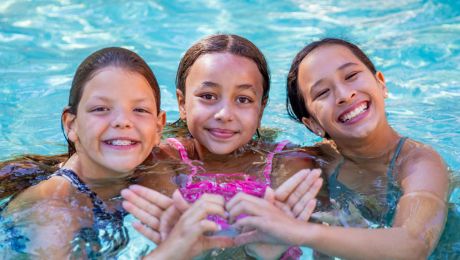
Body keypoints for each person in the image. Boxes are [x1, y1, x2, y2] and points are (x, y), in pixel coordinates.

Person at [223, 38, 450, 259]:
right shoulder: (309, 161)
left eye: (351, 76)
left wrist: (300, 232)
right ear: (313, 124)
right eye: (322, 92)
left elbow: (414, 245)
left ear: (381, 84)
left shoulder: (419, 162)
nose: (344, 95)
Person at [0, 47, 235, 259]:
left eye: (140, 110)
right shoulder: (51, 208)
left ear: (157, 128)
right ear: (71, 124)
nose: (123, 121)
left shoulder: (152, 171)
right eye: (101, 109)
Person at [122, 34, 325, 259]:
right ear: (182, 103)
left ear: (261, 108)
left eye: (243, 99)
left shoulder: (289, 162)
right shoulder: (162, 160)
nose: (224, 114)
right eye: (208, 96)